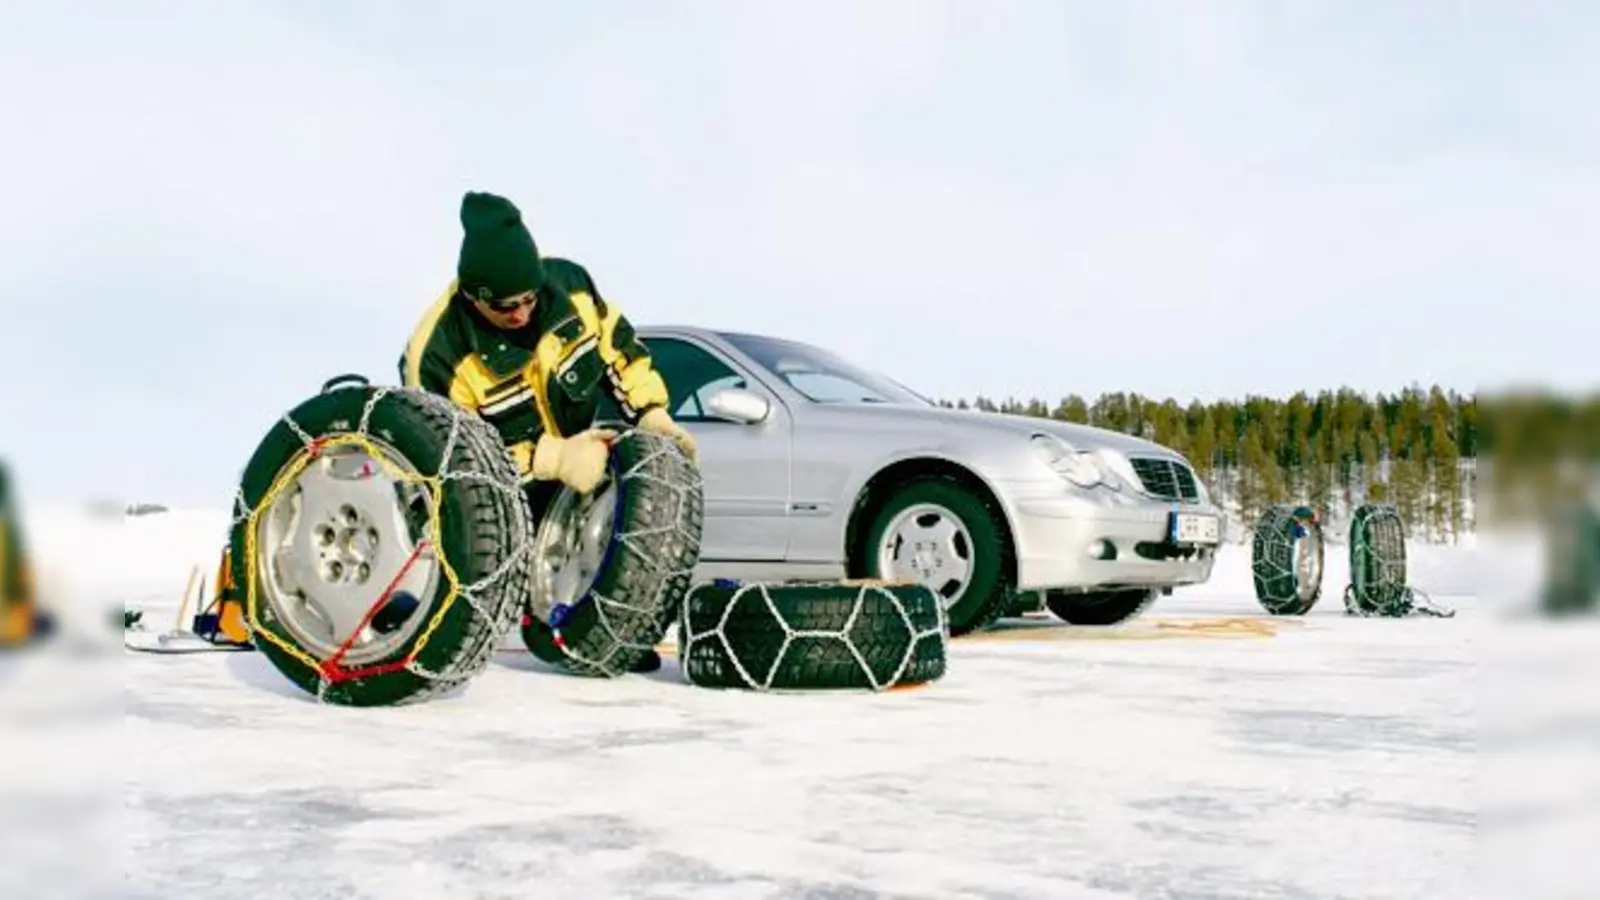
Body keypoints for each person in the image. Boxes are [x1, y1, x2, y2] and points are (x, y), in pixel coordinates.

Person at [399, 190, 697, 672]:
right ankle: (523, 616)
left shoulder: (572, 289)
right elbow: (448, 473)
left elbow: (621, 352)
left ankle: (611, 629)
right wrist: (548, 459)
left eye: (528, 299)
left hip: (585, 464)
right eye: (504, 306)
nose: (520, 313)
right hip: (505, 499)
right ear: (473, 295)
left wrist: (651, 413)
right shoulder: (436, 356)